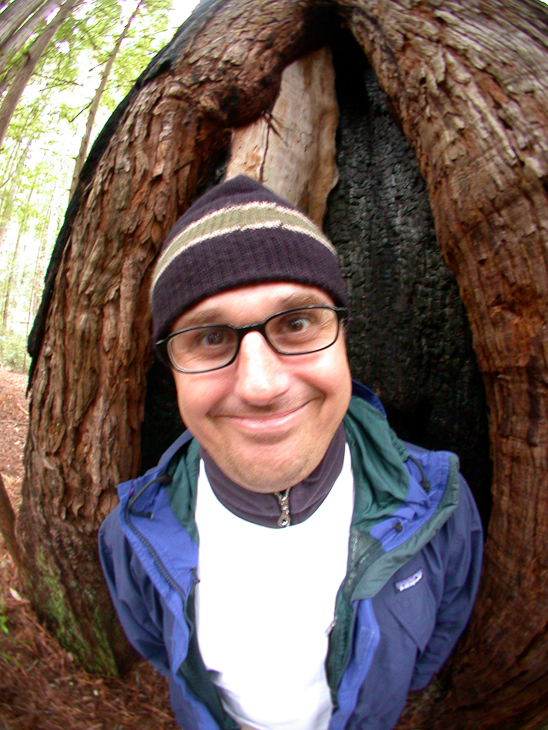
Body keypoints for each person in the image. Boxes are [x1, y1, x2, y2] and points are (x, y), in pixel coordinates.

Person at [98, 175, 483, 730]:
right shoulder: (132, 537)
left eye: (297, 323)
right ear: (172, 371)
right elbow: (158, 648)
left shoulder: (439, 504)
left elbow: (432, 647)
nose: (260, 385)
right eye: (209, 337)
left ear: (344, 335)